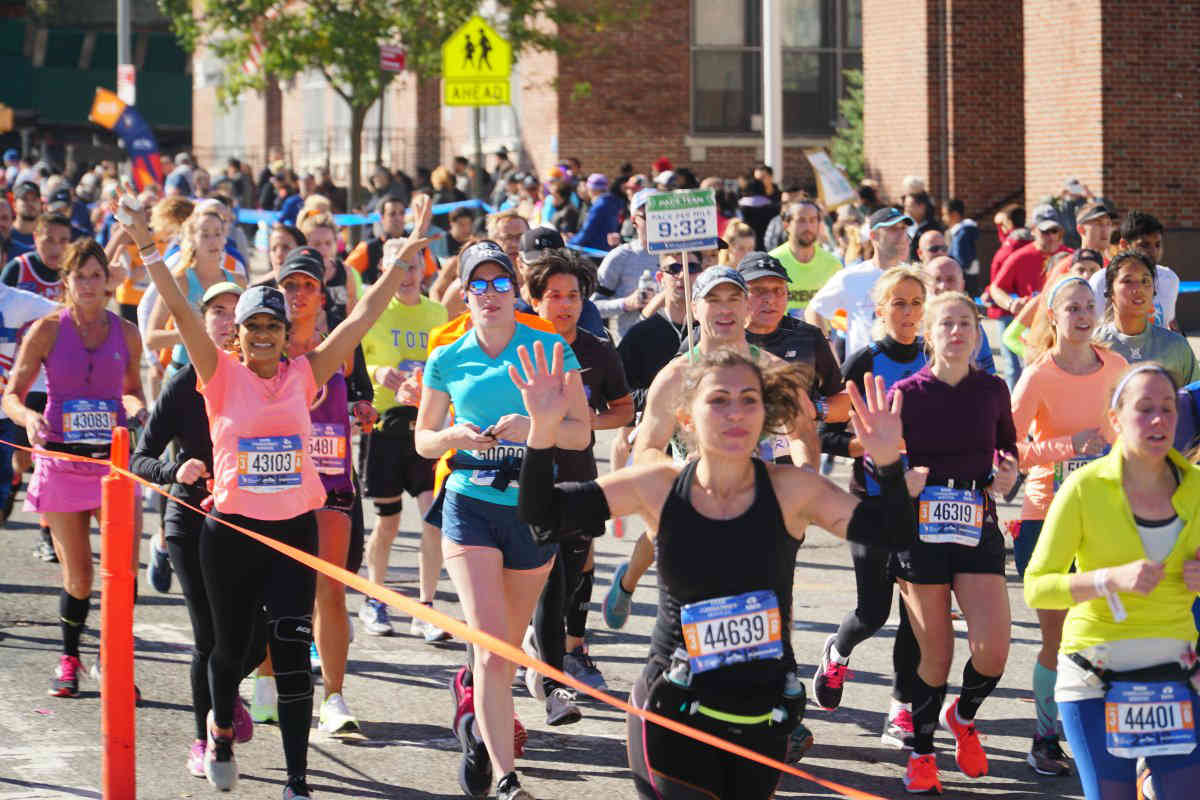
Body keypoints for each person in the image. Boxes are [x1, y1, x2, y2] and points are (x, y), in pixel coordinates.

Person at [124, 192, 436, 798]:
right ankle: (217, 730)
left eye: (273, 325)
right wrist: (144, 246)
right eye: (254, 327)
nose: (265, 335)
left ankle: (296, 780)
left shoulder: (306, 372)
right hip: (232, 533)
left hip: (296, 531)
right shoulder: (216, 373)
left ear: (284, 332)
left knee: (292, 651)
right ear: (237, 337)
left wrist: (402, 263)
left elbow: (362, 318)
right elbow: (185, 318)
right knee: (227, 648)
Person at [514, 338, 922, 799]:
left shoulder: (795, 491)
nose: (735, 413)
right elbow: (543, 520)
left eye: (749, 401)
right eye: (719, 400)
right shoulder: (658, 486)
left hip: (761, 718)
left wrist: (887, 465)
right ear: (687, 416)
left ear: (766, 418)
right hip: (672, 711)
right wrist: (542, 432)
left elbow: (892, 536)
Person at [414, 239, 590, 800]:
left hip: (532, 508)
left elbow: (580, 433)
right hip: (468, 503)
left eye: (500, 283)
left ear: (515, 290)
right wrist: (451, 436)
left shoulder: (549, 347)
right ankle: (509, 779)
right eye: (479, 285)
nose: (490, 295)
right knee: (491, 647)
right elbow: (422, 440)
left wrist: (535, 426)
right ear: (464, 295)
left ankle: (473, 707)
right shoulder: (447, 356)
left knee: (504, 656)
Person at [1025, 363, 1200, 799]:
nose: (1158, 420)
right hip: (1094, 676)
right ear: (1116, 419)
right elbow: (1037, 585)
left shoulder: (1197, 488)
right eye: (1144, 409)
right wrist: (1106, 580)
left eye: (1167, 409)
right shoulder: (1085, 488)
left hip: (1178, 675)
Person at [1, 238, 146, 700]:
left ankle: (112, 659)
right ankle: (69, 657)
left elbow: (133, 390)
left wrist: (135, 407)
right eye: (79, 276)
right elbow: (11, 395)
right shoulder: (45, 330)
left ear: (108, 282)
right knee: (80, 575)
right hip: (62, 463)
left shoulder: (126, 333)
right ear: (66, 282)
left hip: (112, 467)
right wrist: (29, 418)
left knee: (122, 571)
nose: (87, 284)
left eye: (95, 276)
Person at [889, 291, 1019, 794]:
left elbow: (1007, 444)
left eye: (966, 323)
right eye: (947, 324)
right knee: (936, 655)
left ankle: (962, 717)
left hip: (975, 521)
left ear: (978, 331)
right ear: (930, 333)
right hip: (920, 528)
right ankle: (923, 753)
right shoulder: (908, 391)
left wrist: (1007, 472)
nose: (957, 333)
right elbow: (879, 458)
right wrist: (901, 474)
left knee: (993, 652)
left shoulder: (992, 389)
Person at [129, 281, 262, 775]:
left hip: (250, 522)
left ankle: (223, 692)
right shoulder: (184, 383)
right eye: (217, 313)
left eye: (236, 313)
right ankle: (203, 737)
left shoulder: (259, 377)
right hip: (191, 519)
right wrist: (174, 471)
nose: (228, 322)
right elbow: (141, 457)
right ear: (200, 324)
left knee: (264, 631)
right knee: (210, 637)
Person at [1007, 274, 1128, 777]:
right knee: (1057, 640)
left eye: (1089, 307)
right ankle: (1045, 738)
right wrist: (1068, 446)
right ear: (1053, 317)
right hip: (1047, 516)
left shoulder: (1118, 367)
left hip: (1107, 516)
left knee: (1114, 634)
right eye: (1071, 307)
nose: (1081, 315)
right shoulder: (1037, 376)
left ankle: (1117, 735)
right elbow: (1009, 452)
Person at [814, 267, 928, 750]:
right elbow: (823, 430)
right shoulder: (864, 360)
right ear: (878, 310)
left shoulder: (936, 359)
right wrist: (866, 446)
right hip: (872, 503)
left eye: (915, 303)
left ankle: (901, 710)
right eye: (897, 303)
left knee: (917, 616)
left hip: (926, 504)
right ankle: (838, 651)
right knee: (873, 612)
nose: (907, 313)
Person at [524, 250, 633, 721]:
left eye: (573, 296)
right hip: (526, 480)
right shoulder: (517, 344)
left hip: (577, 477)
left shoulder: (596, 348)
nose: (564, 305)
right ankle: (552, 678)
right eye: (553, 296)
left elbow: (624, 408)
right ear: (534, 300)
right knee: (545, 577)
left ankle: (548, 651)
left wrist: (590, 419)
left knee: (569, 578)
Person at [357, 237, 449, 640]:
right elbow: (355, 359)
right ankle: (374, 598)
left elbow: (445, 363)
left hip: (426, 425)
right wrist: (379, 374)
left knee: (433, 518)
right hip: (384, 428)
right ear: (383, 270)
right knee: (389, 521)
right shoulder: (373, 310)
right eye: (399, 265)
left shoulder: (437, 311)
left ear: (425, 269)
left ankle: (425, 607)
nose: (408, 275)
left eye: (414, 265)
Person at [738, 251, 845, 420]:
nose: (770, 299)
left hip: (797, 441)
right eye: (758, 290)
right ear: (739, 296)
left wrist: (812, 409)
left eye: (778, 290)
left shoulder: (808, 336)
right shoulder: (717, 335)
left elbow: (843, 404)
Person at [806, 206, 914, 358]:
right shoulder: (851, 277)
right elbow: (814, 310)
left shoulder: (913, 277)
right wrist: (828, 355)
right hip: (863, 374)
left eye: (903, 228)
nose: (901, 234)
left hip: (908, 373)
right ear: (873, 235)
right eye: (892, 229)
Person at [987, 204, 1071, 391]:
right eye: (1044, 231)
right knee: (1015, 369)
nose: (1050, 237)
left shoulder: (1070, 256)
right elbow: (996, 287)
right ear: (1033, 231)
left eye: (1054, 231)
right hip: (1026, 325)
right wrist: (1011, 303)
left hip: (1060, 324)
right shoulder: (1019, 257)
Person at [1095, 250, 1197, 387]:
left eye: (1145, 281)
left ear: (1154, 291)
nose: (1138, 288)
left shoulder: (1176, 346)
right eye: (1128, 280)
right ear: (1110, 291)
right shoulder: (1094, 345)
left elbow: (1195, 399)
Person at [1001, 249, 1105, 364]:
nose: (1087, 275)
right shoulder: (1043, 299)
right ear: (1069, 271)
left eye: (1093, 270)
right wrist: (1034, 355)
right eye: (1080, 270)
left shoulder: (1107, 300)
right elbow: (1009, 336)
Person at [1088, 210, 1181, 330]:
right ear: (1124, 244)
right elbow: (1095, 330)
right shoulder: (1101, 280)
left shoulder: (1169, 279)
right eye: (1144, 245)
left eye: (1157, 245)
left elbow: (1168, 323)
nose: (1153, 252)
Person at [592, 188, 658, 340]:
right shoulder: (620, 257)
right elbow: (592, 307)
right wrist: (626, 303)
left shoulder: (681, 256)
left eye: (661, 215)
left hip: (678, 350)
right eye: (650, 216)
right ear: (634, 220)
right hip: (634, 345)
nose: (657, 221)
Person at [924, 256, 997, 374]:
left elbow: (988, 372)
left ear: (962, 285)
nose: (943, 286)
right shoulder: (913, 323)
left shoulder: (973, 324)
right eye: (937, 279)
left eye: (950, 279)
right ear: (926, 285)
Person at [768, 200, 842, 316]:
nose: (808, 227)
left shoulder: (833, 265)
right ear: (786, 225)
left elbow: (839, 311)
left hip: (822, 333)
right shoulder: (772, 262)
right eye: (801, 220)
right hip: (783, 333)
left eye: (812, 220)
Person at [942, 198, 979, 295]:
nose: (943, 218)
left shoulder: (961, 234)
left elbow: (962, 259)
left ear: (954, 215)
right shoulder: (962, 232)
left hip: (964, 279)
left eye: (945, 214)